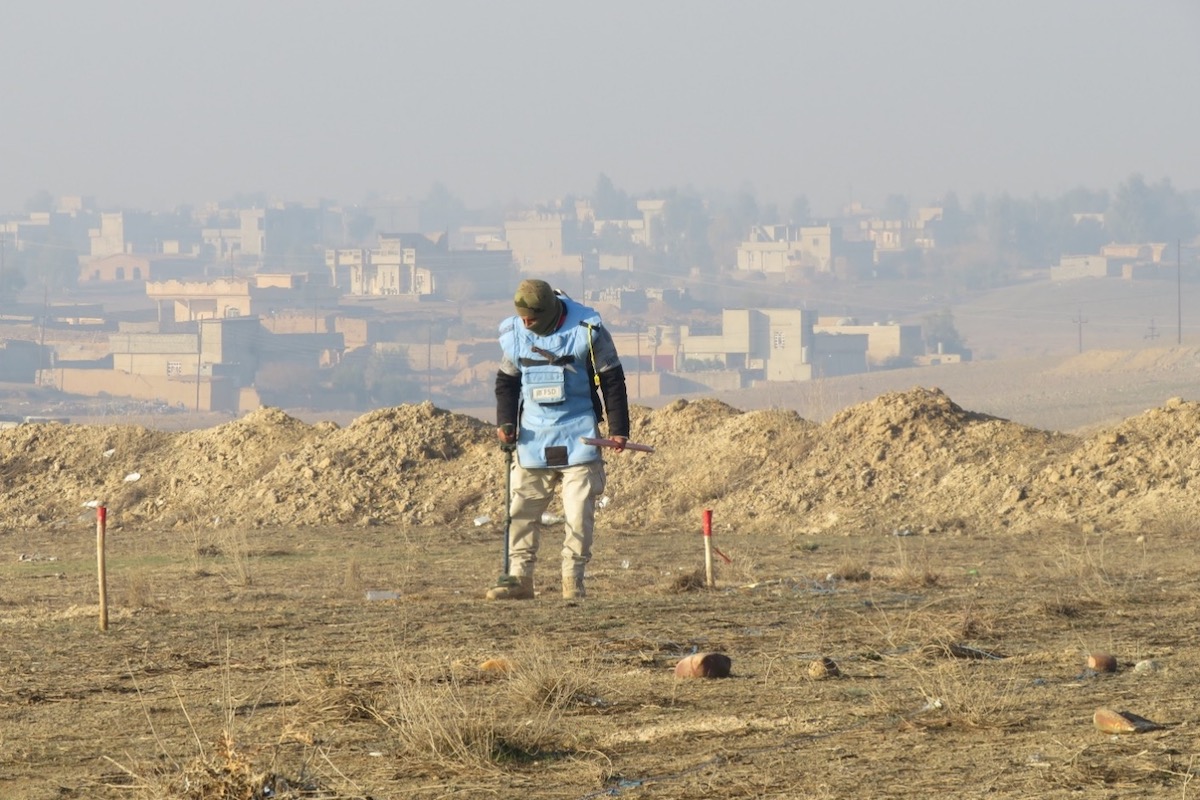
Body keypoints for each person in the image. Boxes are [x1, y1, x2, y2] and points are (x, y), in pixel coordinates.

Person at [487, 279, 630, 601]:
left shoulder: (588, 330)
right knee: (520, 511)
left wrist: (619, 429)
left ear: (549, 310)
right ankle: (518, 580)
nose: (526, 323)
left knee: (578, 513)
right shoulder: (515, 335)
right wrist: (505, 422)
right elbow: (506, 382)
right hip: (532, 438)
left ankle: (572, 584)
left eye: (532, 318)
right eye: (522, 317)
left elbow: (612, 379)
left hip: (580, 436)